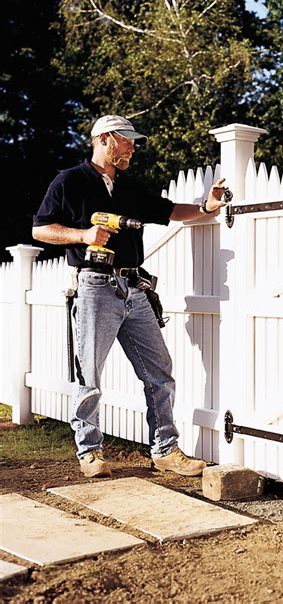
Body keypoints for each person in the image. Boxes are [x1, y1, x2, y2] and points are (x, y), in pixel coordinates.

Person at [32, 114, 226, 479]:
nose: (133, 147)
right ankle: (90, 452)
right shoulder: (69, 181)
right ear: (105, 139)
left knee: (159, 371)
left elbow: (168, 211)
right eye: (127, 140)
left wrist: (207, 207)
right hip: (94, 289)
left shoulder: (129, 186)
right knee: (89, 375)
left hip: (134, 290)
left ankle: (165, 450)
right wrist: (83, 236)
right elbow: (41, 229)